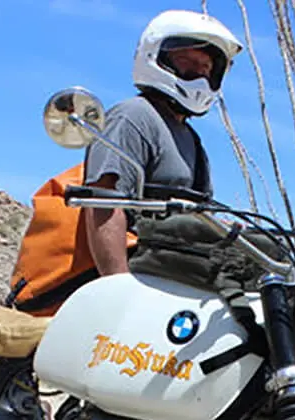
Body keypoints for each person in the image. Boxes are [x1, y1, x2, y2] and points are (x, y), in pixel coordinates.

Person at [81, 9, 243, 277]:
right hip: (136, 279)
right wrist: (118, 287)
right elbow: (104, 202)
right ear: (156, 57)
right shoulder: (133, 116)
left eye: (206, 68)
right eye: (187, 62)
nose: (200, 75)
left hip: (169, 276)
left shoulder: (191, 140)